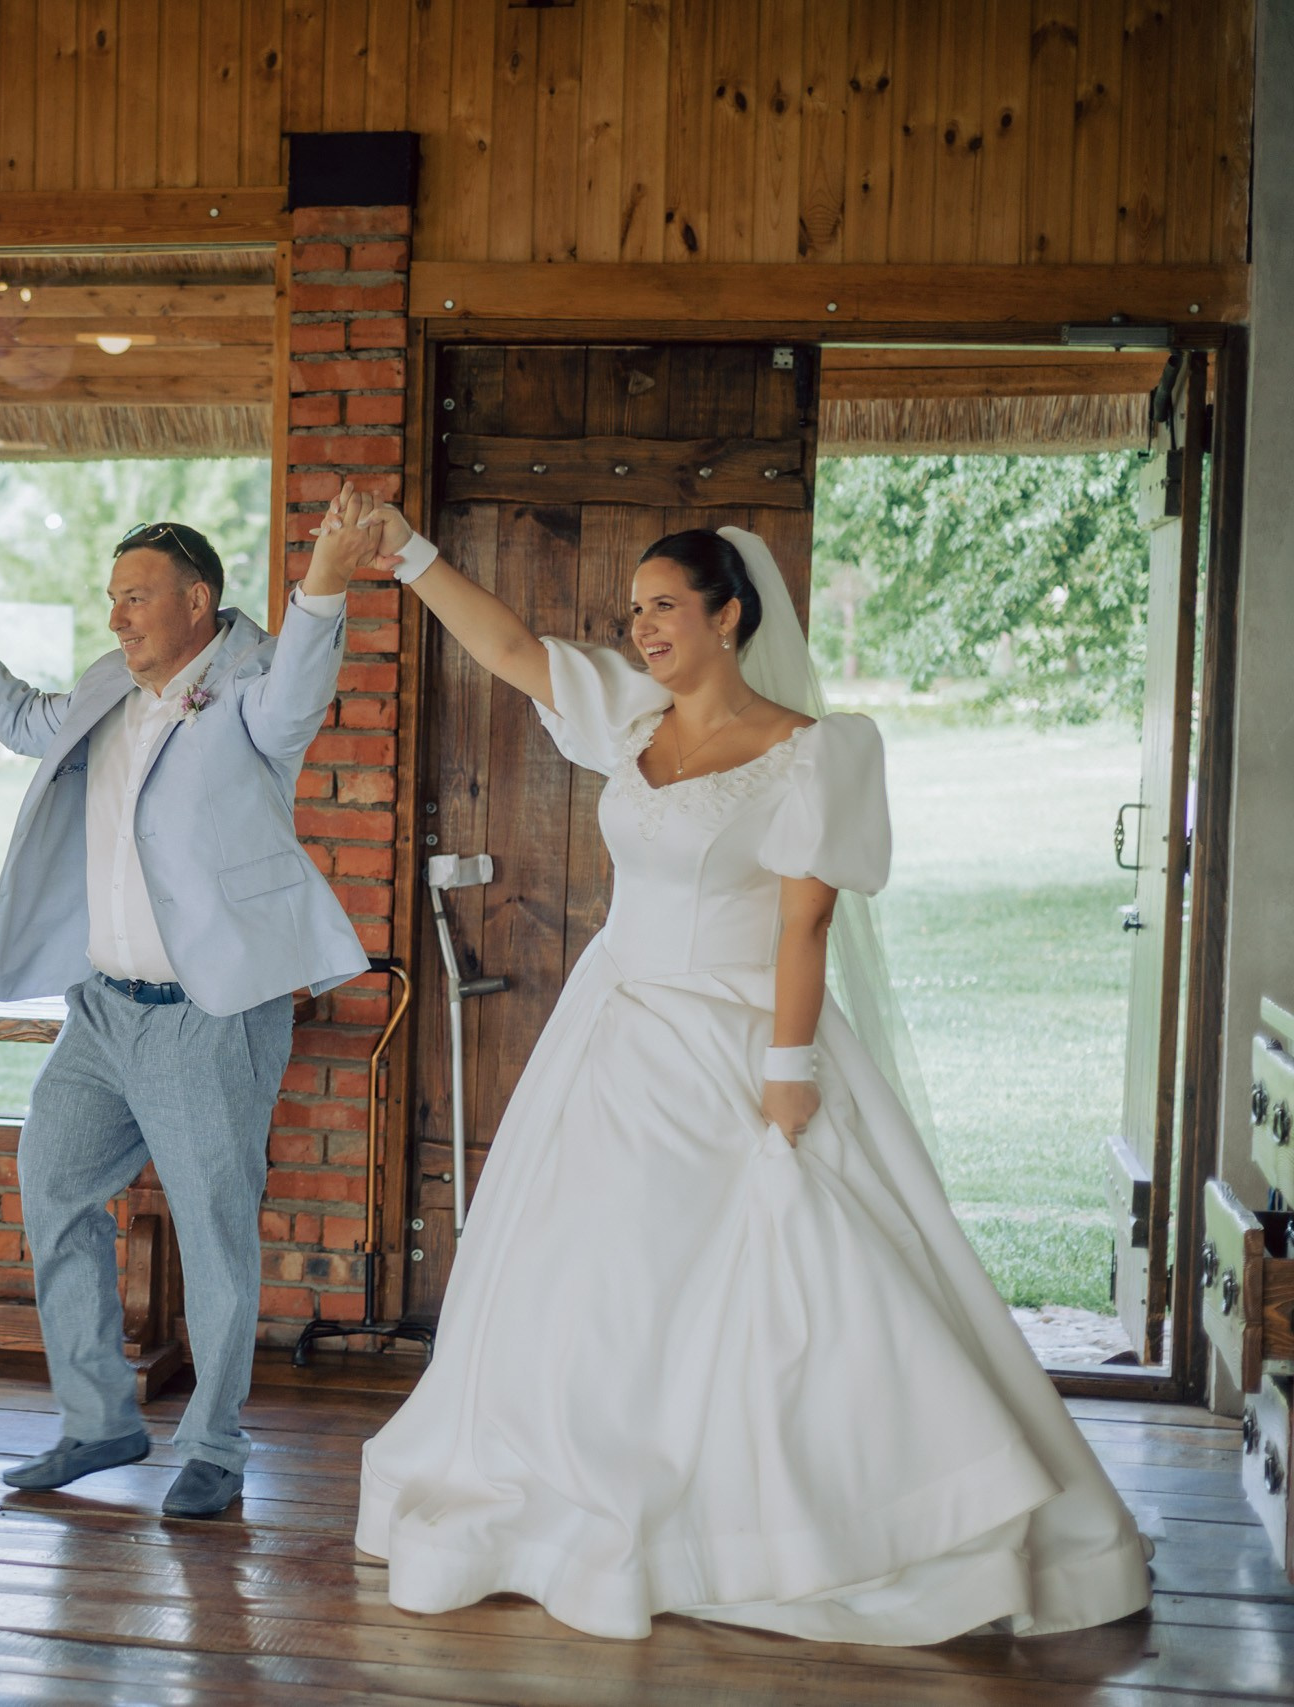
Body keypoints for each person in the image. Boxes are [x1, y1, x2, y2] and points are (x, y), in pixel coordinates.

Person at [349, 508, 1152, 1641]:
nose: (643, 631)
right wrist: (411, 556)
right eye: (634, 613)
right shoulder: (632, 720)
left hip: (732, 1040)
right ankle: (570, 1487)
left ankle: (792, 1519)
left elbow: (803, 927)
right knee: (590, 1271)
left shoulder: (817, 751)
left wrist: (787, 1070)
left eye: (665, 607)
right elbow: (517, 653)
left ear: (729, 616)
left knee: (789, 1277)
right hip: (614, 1032)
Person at [0, 486, 386, 1518]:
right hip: (101, 1016)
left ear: (197, 600)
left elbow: (302, 688)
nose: (118, 616)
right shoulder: (106, 684)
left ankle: (214, 1442)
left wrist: (326, 580)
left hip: (205, 1014)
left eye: (136, 597)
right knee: (54, 1186)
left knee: (215, 1229)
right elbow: (23, 720)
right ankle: (99, 1421)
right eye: (112, 598)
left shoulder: (254, 683)